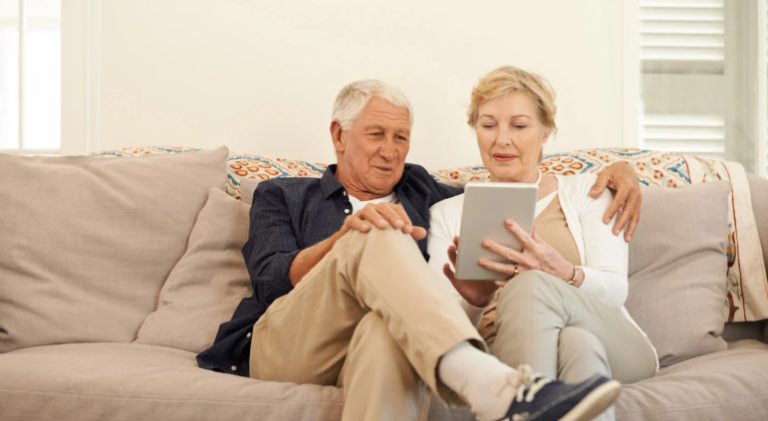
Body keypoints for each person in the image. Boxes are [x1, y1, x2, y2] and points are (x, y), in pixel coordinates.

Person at [197, 79, 643, 421]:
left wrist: (623, 170)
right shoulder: (284, 195)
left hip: (385, 335)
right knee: (377, 234)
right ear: (338, 135)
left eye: (401, 138)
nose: (390, 152)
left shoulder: (428, 195)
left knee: (385, 332)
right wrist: (346, 238)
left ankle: (482, 379)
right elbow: (273, 279)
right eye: (375, 134)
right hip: (291, 340)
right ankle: (486, 381)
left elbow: (511, 179)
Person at [428, 66, 658, 421]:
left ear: (546, 132)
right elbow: (438, 329)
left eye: (519, 126)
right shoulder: (446, 213)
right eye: (489, 125)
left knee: (533, 283)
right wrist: (477, 302)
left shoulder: (589, 191)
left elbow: (615, 291)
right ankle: (538, 397)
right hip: (499, 353)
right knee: (578, 345)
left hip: (619, 344)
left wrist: (563, 272)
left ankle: (522, 403)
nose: (502, 139)